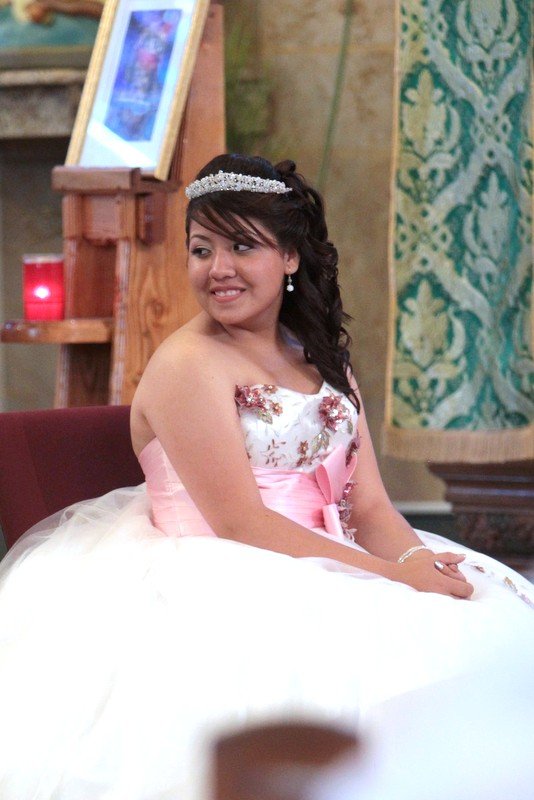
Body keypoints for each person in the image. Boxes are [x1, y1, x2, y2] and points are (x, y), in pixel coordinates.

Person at [0, 153, 532, 800]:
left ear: (289, 257)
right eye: (202, 250)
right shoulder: (188, 365)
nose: (218, 268)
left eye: (242, 246)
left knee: (480, 629)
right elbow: (239, 523)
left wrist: (416, 562)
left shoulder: (319, 358)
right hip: (220, 577)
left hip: (333, 554)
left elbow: (369, 508)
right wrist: (391, 578)